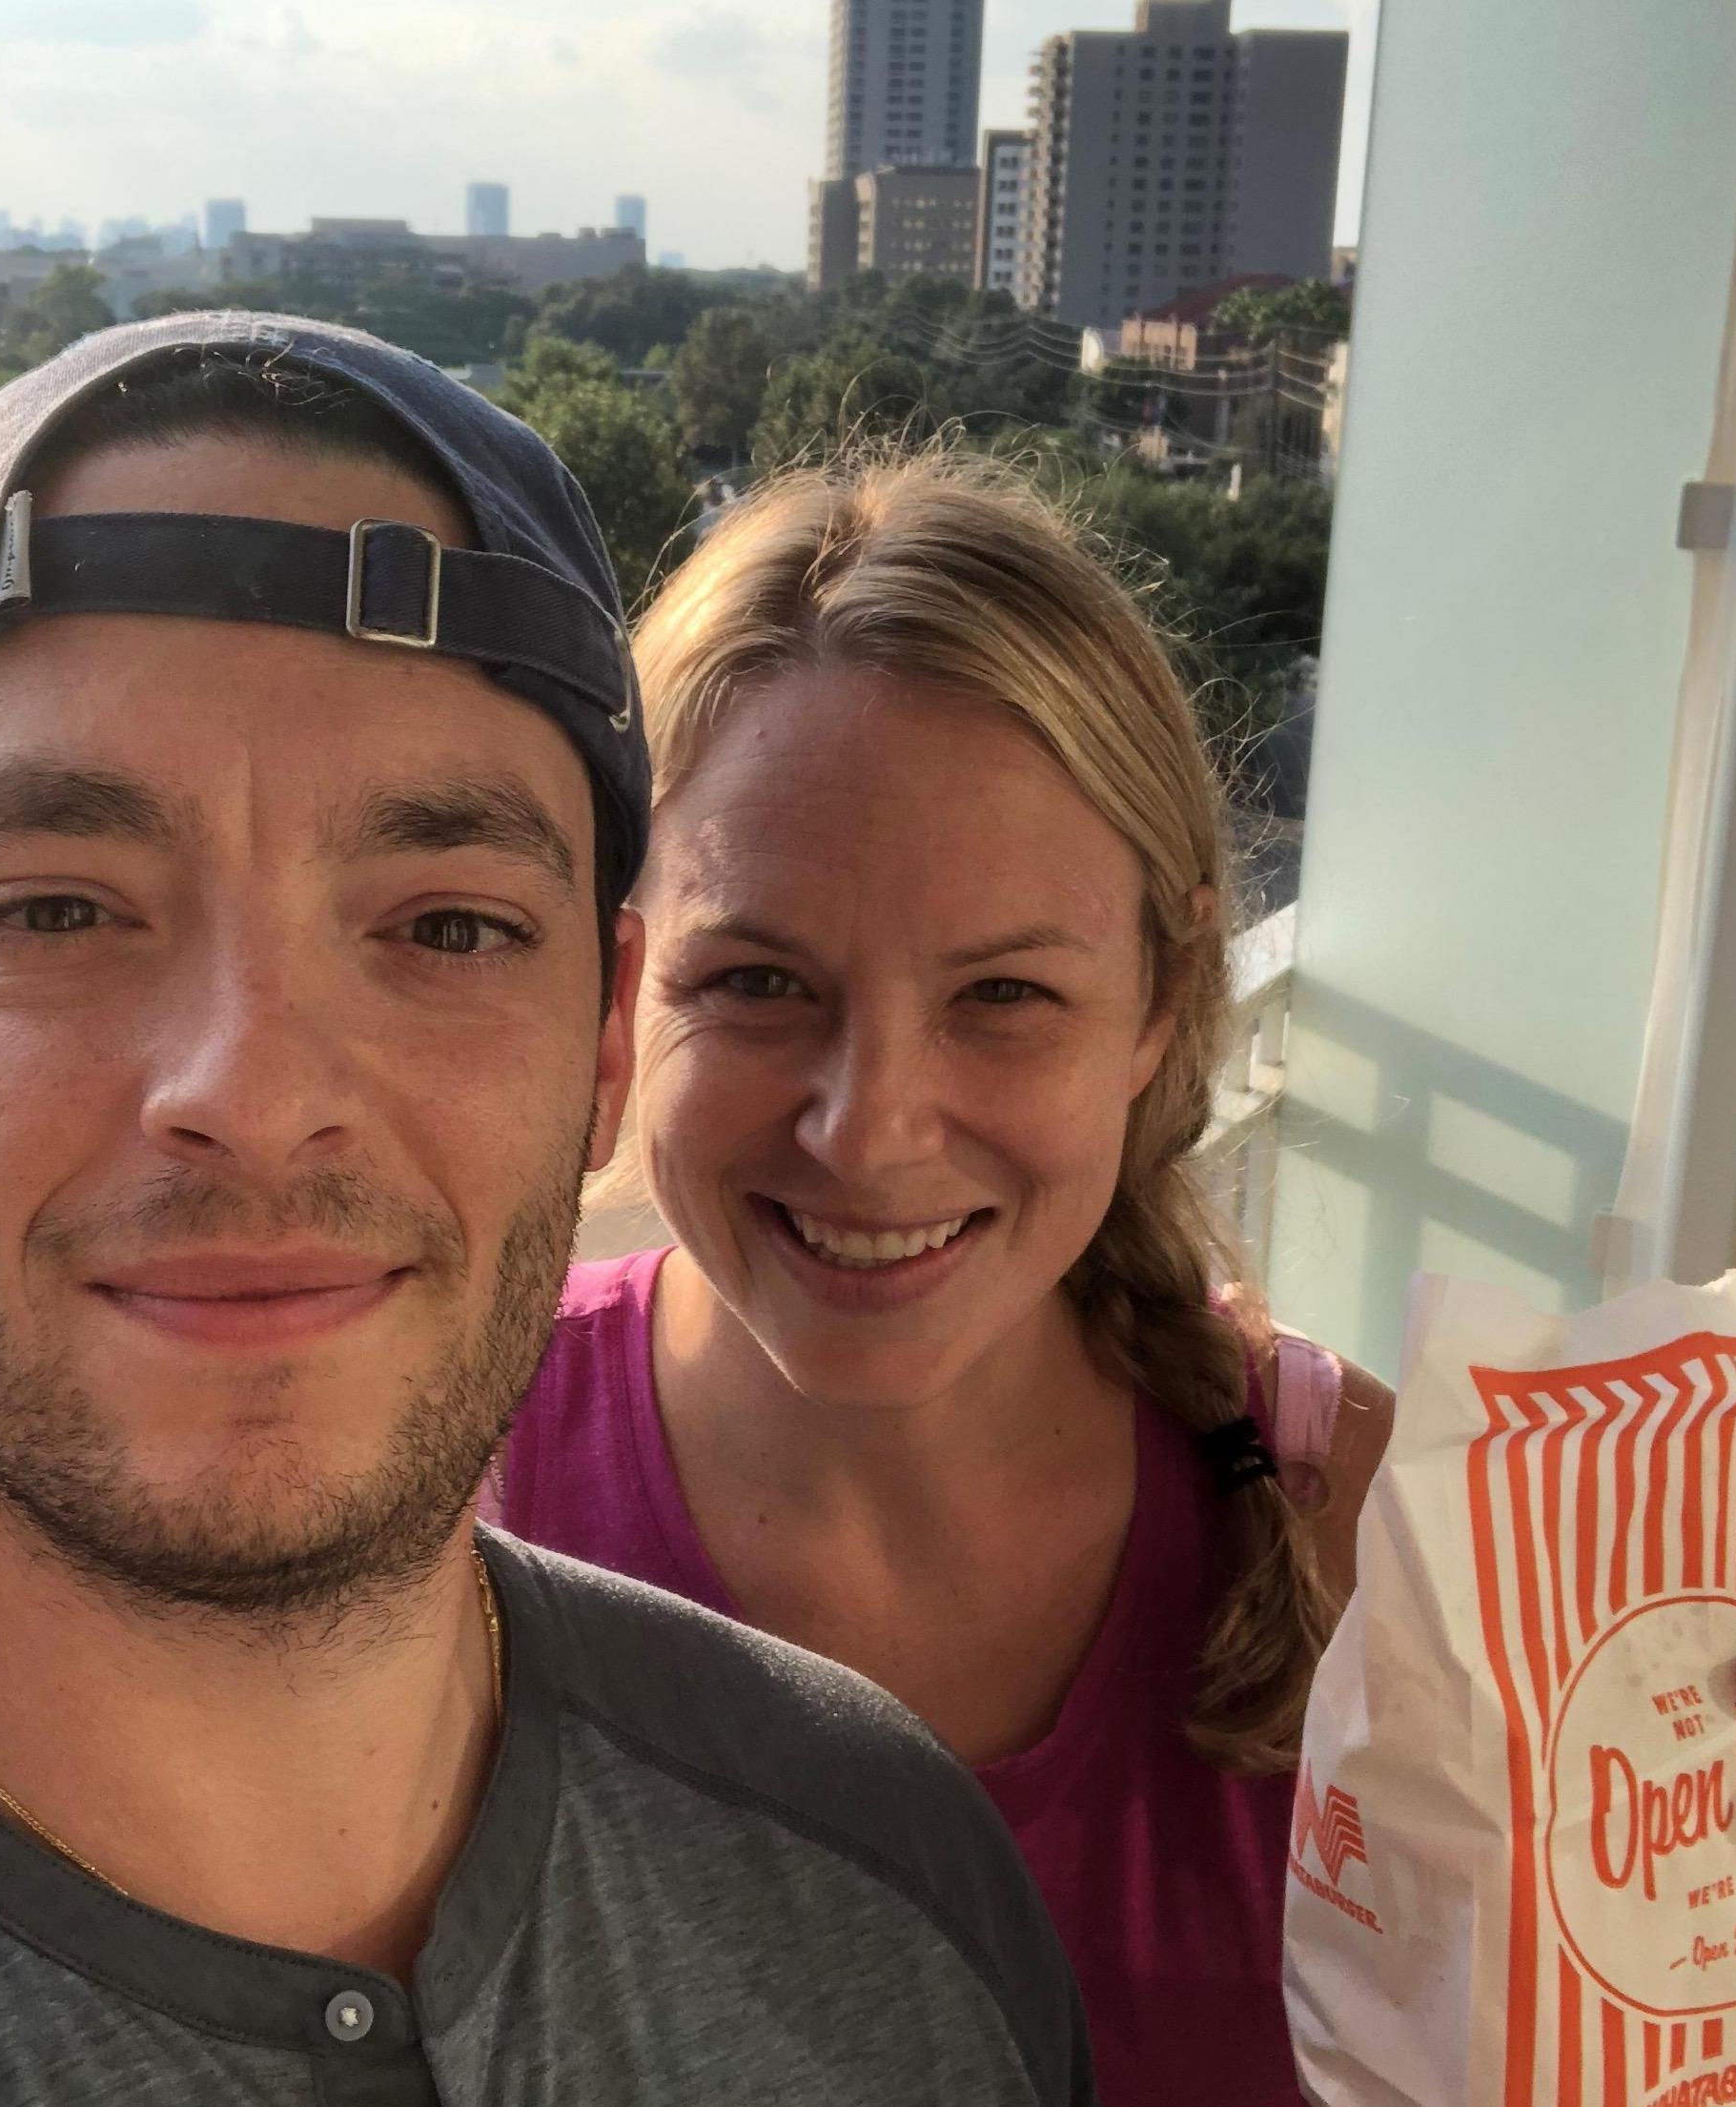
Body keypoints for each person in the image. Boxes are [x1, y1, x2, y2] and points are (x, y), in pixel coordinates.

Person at [0, 321, 1087, 2106]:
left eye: (446, 926)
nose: (253, 1089)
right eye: (55, 910)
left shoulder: (892, 1891)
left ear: (597, 1049)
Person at [487, 446, 1389, 2106]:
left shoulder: (1363, 1530)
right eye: (757, 979)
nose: (871, 1129)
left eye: (1002, 995)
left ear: (1156, 998)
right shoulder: (437, 1493)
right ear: (624, 990)